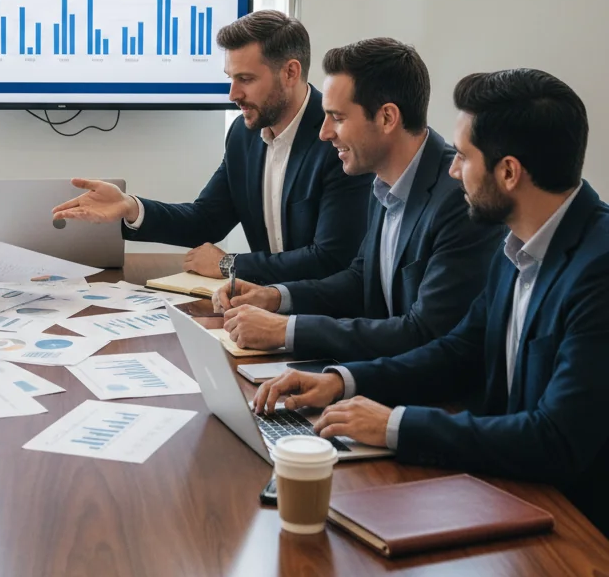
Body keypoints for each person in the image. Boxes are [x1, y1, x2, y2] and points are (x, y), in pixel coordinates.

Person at [255, 69, 609, 535]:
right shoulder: (518, 241)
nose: (453, 169)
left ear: (508, 172)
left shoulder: (597, 270)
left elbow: (555, 438)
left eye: (464, 156)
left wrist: (395, 425)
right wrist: (343, 382)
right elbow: (457, 351)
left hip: (577, 531)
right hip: (512, 490)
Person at [215, 39, 503, 361]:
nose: (324, 133)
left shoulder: (457, 200)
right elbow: (360, 279)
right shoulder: (382, 181)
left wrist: (285, 330)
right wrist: (274, 297)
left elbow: (423, 332)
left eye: (337, 118)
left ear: (387, 118)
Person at [52, 10, 371, 283]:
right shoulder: (243, 135)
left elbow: (332, 260)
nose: (233, 94)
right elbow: (205, 220)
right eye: (230, 78)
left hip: (326, 316)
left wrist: (229, 265)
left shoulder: (338, 137)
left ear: (290, 72)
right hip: (267, 305)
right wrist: (130, 207)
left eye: (245, 79)